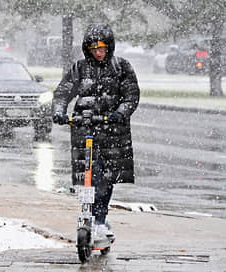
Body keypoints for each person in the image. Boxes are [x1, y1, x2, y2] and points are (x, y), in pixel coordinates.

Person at [51, 23, 140, 244]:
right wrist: (59, 111)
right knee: (87, 175)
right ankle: (87, 213)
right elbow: (63, 91)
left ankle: (100, 219)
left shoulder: (122, 67)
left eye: (102, 48)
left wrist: (119, 113)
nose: (98, 52)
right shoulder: (79, 68)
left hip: (112, 132)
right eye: (94, 48)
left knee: (105, 177)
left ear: (109, 47)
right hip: (84, 128)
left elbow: (131, 95)